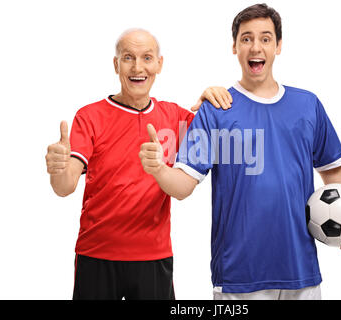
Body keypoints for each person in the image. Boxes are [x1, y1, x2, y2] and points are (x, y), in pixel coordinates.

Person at [138, 4, 341, 300]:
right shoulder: (216, 110)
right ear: (234, 47)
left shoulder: (308, 105)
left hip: (301, 270)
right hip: (240, 276)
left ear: (278, 46)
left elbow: (331, 170)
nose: (256, 47)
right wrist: (159, 169)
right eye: (246, 38)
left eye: (266, 38)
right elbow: (183, 186)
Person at [45, 28, 232, 300]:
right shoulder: (90, 116)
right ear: (116, 64)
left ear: (159, 64)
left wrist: (212, 97)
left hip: (153, 256)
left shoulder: (175, 117)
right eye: (128, 57)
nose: (137, 67)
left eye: (146, 58)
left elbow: (227, 136)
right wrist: (58, 169)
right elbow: (64, 186)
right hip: (96, 254)